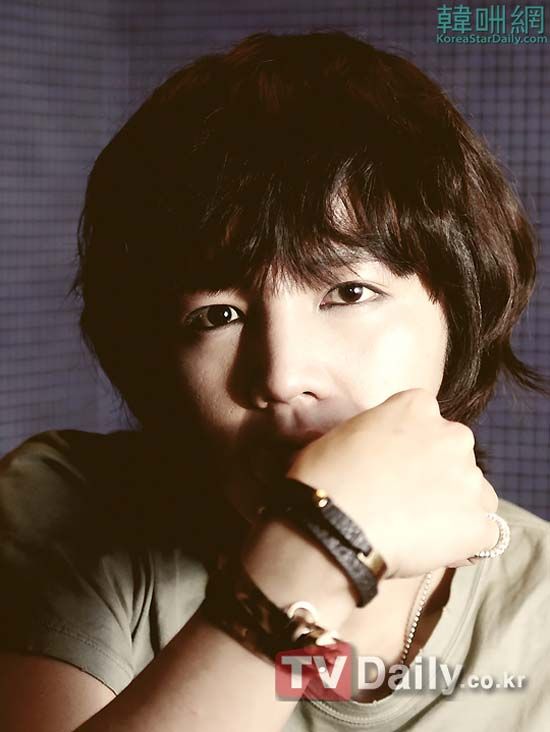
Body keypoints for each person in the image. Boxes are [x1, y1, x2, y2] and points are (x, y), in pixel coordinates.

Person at [0, 30, 549, 732]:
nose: (282, 375)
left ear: (460, 307)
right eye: (218, 315)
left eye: (348, 293)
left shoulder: (540, 601)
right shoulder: (64, 510)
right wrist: (320, 552)